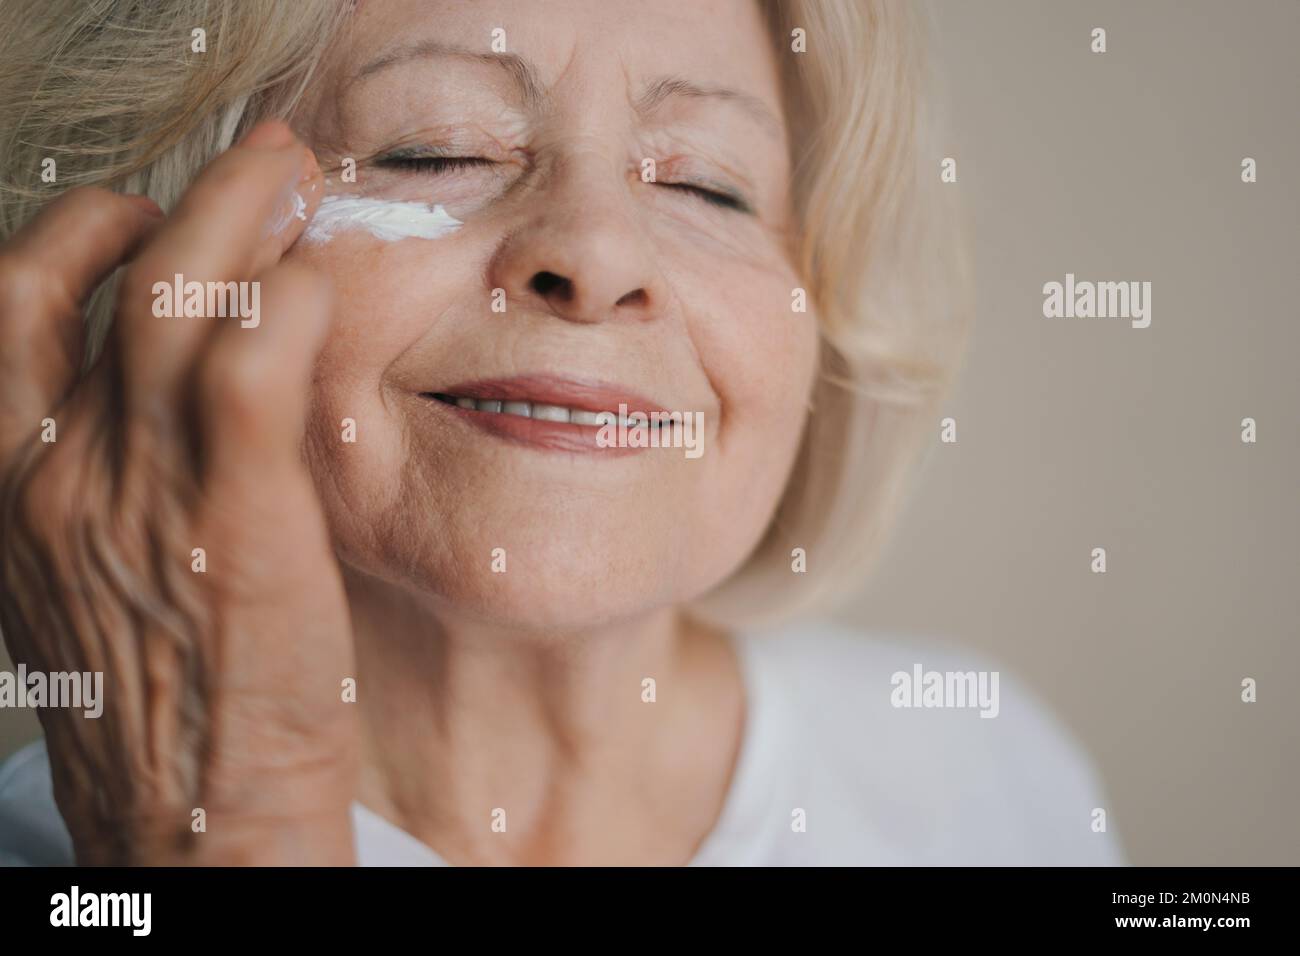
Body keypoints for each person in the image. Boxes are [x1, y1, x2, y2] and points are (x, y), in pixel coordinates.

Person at [0, 0, 1122, 866]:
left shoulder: (985, 776)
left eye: (706, 185)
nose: (593, 252)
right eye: (435, 150)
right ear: (164, 265)